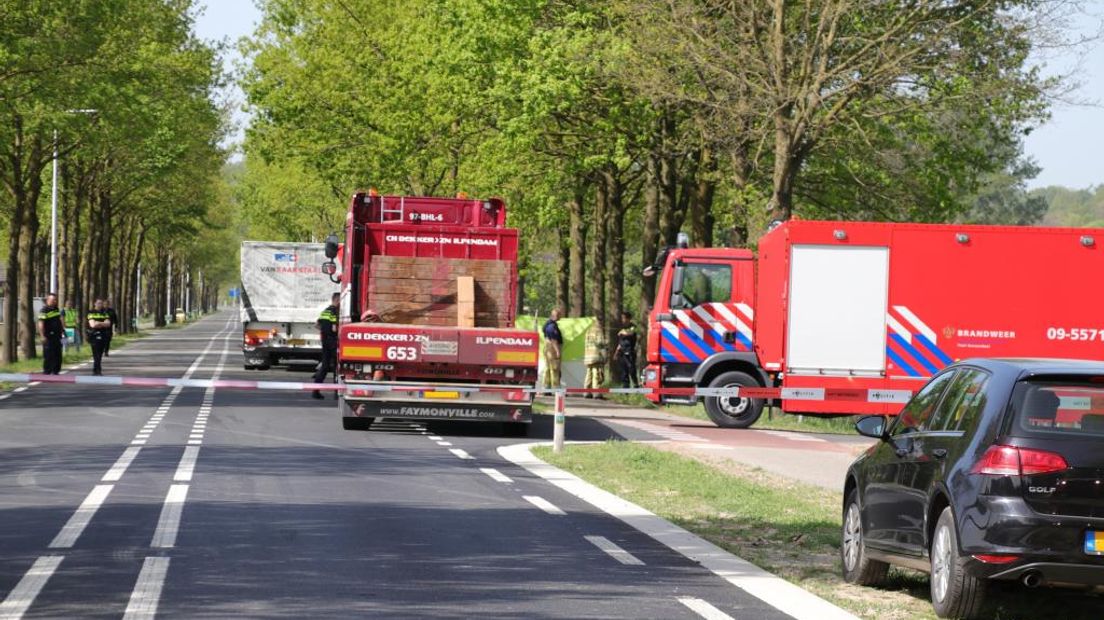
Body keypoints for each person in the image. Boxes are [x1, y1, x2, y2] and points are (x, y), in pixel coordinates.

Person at [312, 293, 340, 399]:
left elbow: (316, 325)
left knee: (325, 366)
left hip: (324, 341)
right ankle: (337, 393)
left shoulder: (325, 311)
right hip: (332, 342)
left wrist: (324, 331)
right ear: (338, 301)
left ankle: (315, 391)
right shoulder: (333, 312)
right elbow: (334, 329)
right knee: (337, 367)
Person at [37, 293, 64, 374]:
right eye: (53, 300)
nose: (55, 301)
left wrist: (62, 331)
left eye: (55, 300)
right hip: (48, 336)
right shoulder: (44, 310)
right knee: (48, 355)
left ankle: (56, 371)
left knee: (58, 354)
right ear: (48, 300)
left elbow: (59, 321)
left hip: (57, 336)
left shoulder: (56, 309)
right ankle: (47, 371)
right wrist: (42, 336)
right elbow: (41, 324)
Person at [86, 299, 112, 376]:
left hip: (103, 335)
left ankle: (96, 369)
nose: (100, 305)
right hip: (94, 335)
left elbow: (108, 324)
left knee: (100, 353)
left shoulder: (105, 313)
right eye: (98, 303)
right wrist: (102, 323)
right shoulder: (91, 312)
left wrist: (98, 323)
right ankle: (97, 370)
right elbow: (92, 325)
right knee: (95, 353)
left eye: (101, 303)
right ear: (95, 304)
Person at [614, 311, 639, 388]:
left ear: (628, 319)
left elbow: (631, 333)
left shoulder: (633, 327)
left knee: (632, 370)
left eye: (624, 318)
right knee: (624, 372)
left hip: (630, 352)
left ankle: (636, 385)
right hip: (622, 353)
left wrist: (623, 332)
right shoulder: (623, 329)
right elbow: (620, 342)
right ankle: (626, 389)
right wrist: (616, 352)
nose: (622, 320)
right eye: (622, 318)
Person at [582, 321, 607, 399]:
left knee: (589, 374)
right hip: (596, 356)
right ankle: (596, 392)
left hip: (588, 356)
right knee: (597, 373)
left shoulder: (588, 331)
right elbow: (600, 343)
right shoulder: (598, 331)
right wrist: (606, 342)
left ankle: (586, 391)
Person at [542, 309, 564, 389]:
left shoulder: (547, 324)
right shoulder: (552, 326)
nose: (560, 317)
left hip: (547, 348)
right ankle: (556, 387)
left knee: (547, 368)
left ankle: (546, 387)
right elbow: (554, 340)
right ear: (556, 315)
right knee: (555, 368)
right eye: (560, 315)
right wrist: (557, 351)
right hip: (552, 349)